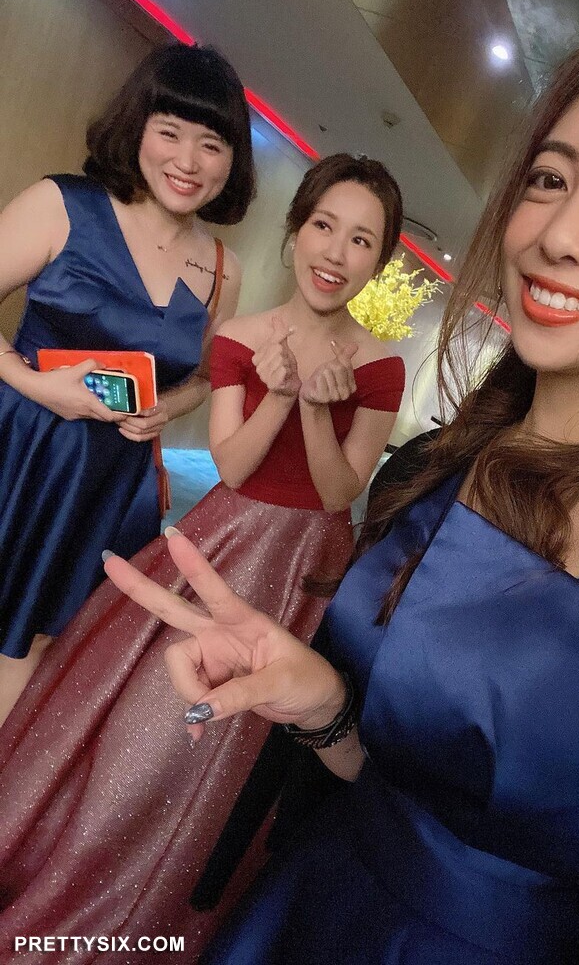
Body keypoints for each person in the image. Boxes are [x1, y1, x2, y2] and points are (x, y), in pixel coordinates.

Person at [105, 7, 579, 965]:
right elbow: (405, 791)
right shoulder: (430, 468)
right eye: (548, 178)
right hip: (300, 910)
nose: (558, 233)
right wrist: (324, 708)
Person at [0, 153, 405, 963]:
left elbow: (341, 489)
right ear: (296, 230)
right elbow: (234, 466)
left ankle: (175, 899)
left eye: (362, 239)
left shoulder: (383, 364)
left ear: (381, 259)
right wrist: (282, 394)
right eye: (324, 225)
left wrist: (318, 411)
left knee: (253, 744)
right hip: (224, 540)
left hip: (312, 567)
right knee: (147, 728)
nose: (336, 251)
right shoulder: (241, 340)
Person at [0, 42, 254, 721]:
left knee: (40, 640)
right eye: (170, 132)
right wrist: (35, 384)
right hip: (17, 439)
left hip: (108, 476)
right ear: (137, 127)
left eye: (211, 144)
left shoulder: (221, 269)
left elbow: (204, 376)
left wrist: (165, 408)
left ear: (232, 161)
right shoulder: (62, 204)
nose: (188, 160)